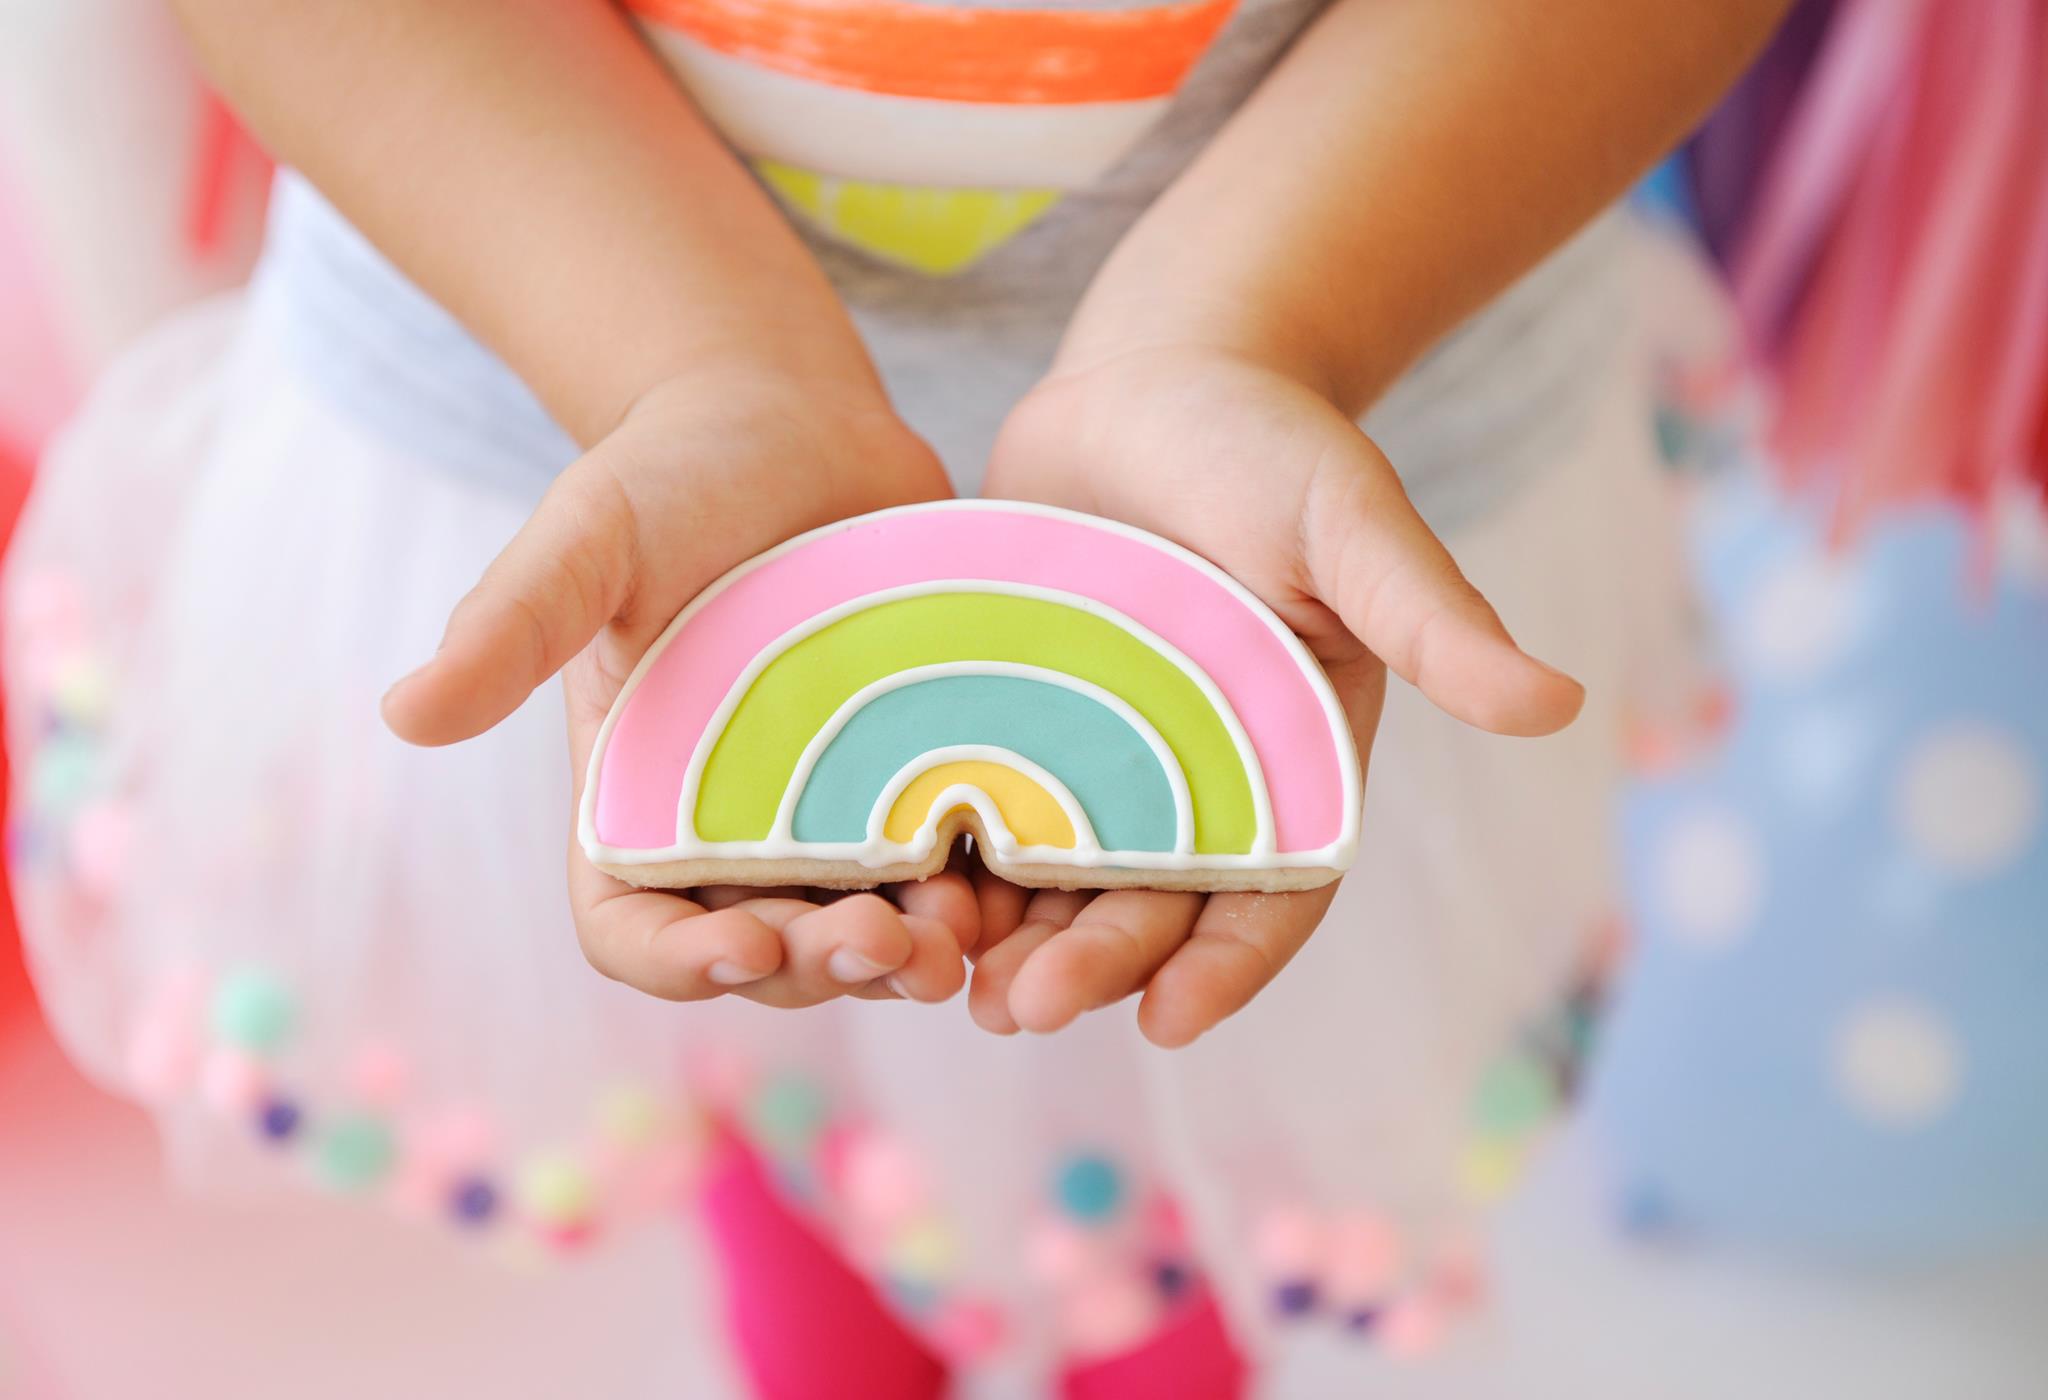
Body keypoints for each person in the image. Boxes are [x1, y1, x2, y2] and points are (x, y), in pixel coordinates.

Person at [2, 0, 1787, 1394]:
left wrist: (1253, 326)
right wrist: (689, 359)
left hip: (1358, 389)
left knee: (1210, 1100)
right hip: (562, 377)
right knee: (751, 971)